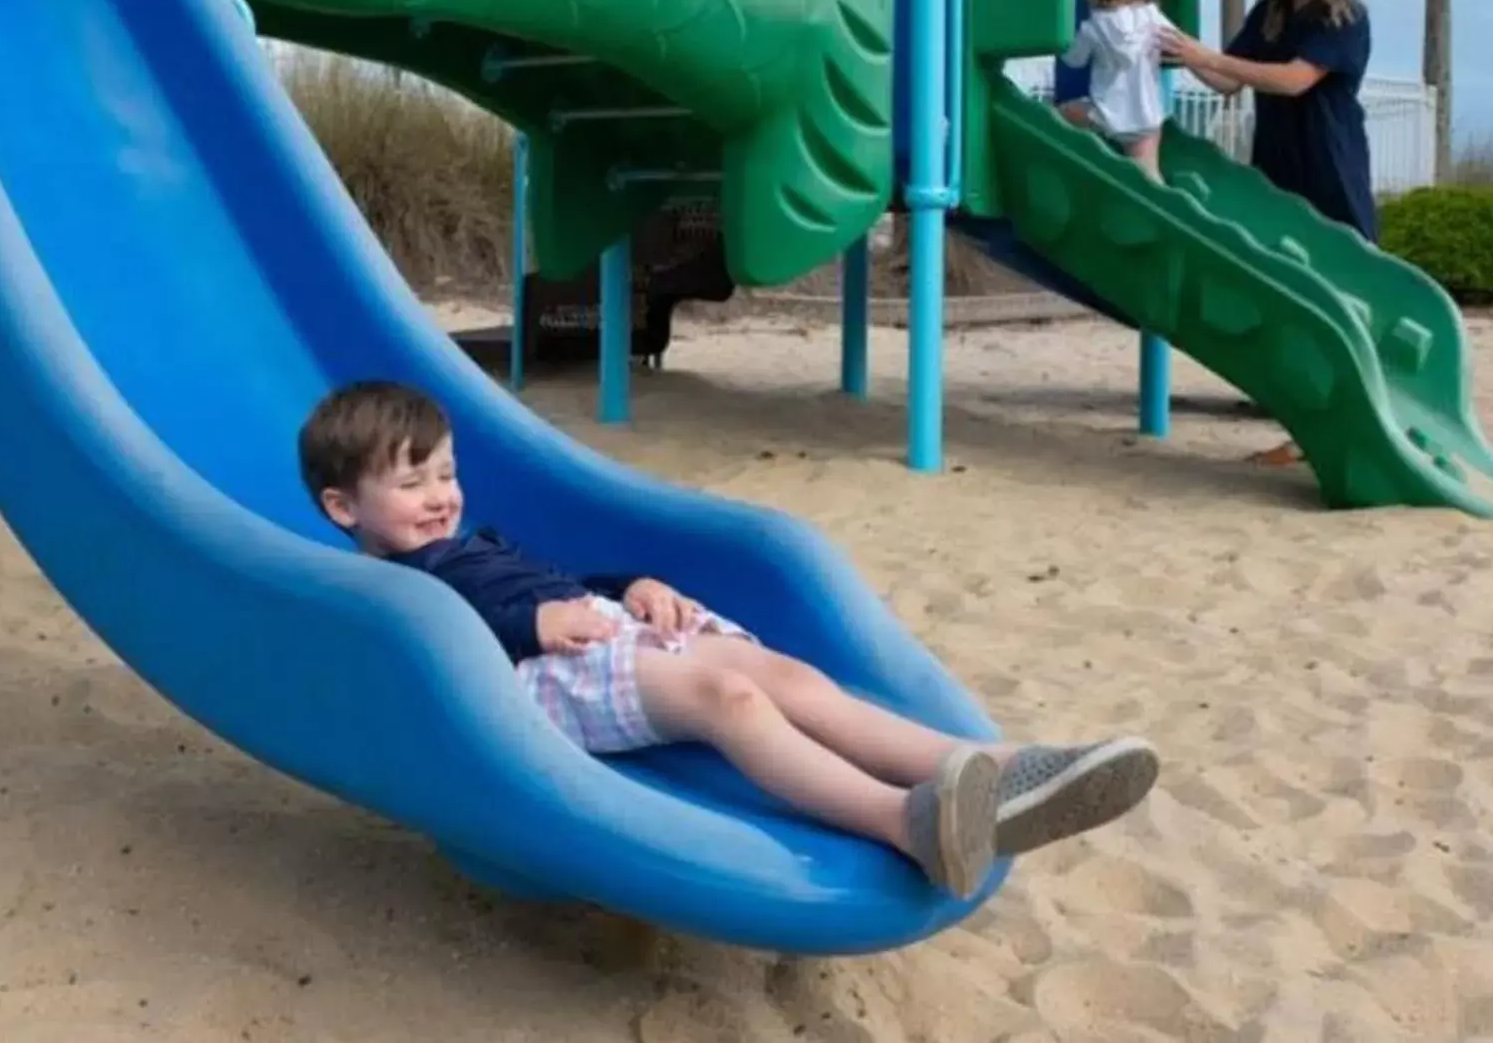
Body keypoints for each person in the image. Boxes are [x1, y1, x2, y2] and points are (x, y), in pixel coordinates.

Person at [296, 381, 1161, 899]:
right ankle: (908, 823)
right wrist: (530, 623)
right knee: (730, 701)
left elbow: (549, 578)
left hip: (603, 638)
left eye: (445, 472)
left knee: (785, 675)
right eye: (413, 483)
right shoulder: (390, 580)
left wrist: (627, 586)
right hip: (537, 681)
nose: (441, 495)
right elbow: (428, 636)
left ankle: (1000, 766)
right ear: (344, 509)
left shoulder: (468, 542)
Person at [1159, 0, 1374, 467]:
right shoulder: (1270, 14)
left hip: (1331, 165)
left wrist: (1211, 56)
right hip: (1277, 164)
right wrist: (1179, 50)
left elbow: (1294, 80)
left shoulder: (1344, 15)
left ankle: (1351, 418)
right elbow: (1227, 81)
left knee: (1343, 288)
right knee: (1288, 289)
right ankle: (1305, 428)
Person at [1053, 0, 1175, 181]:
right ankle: (1163, 203)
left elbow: (1074, 60)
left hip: (1107, 116)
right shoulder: (1150, 16)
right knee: (1149, 174)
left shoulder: (1093, 28)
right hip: (1146, 116)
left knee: (1060, 114)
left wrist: (1063, 40)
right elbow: (1176, 41)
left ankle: (1074, 171)